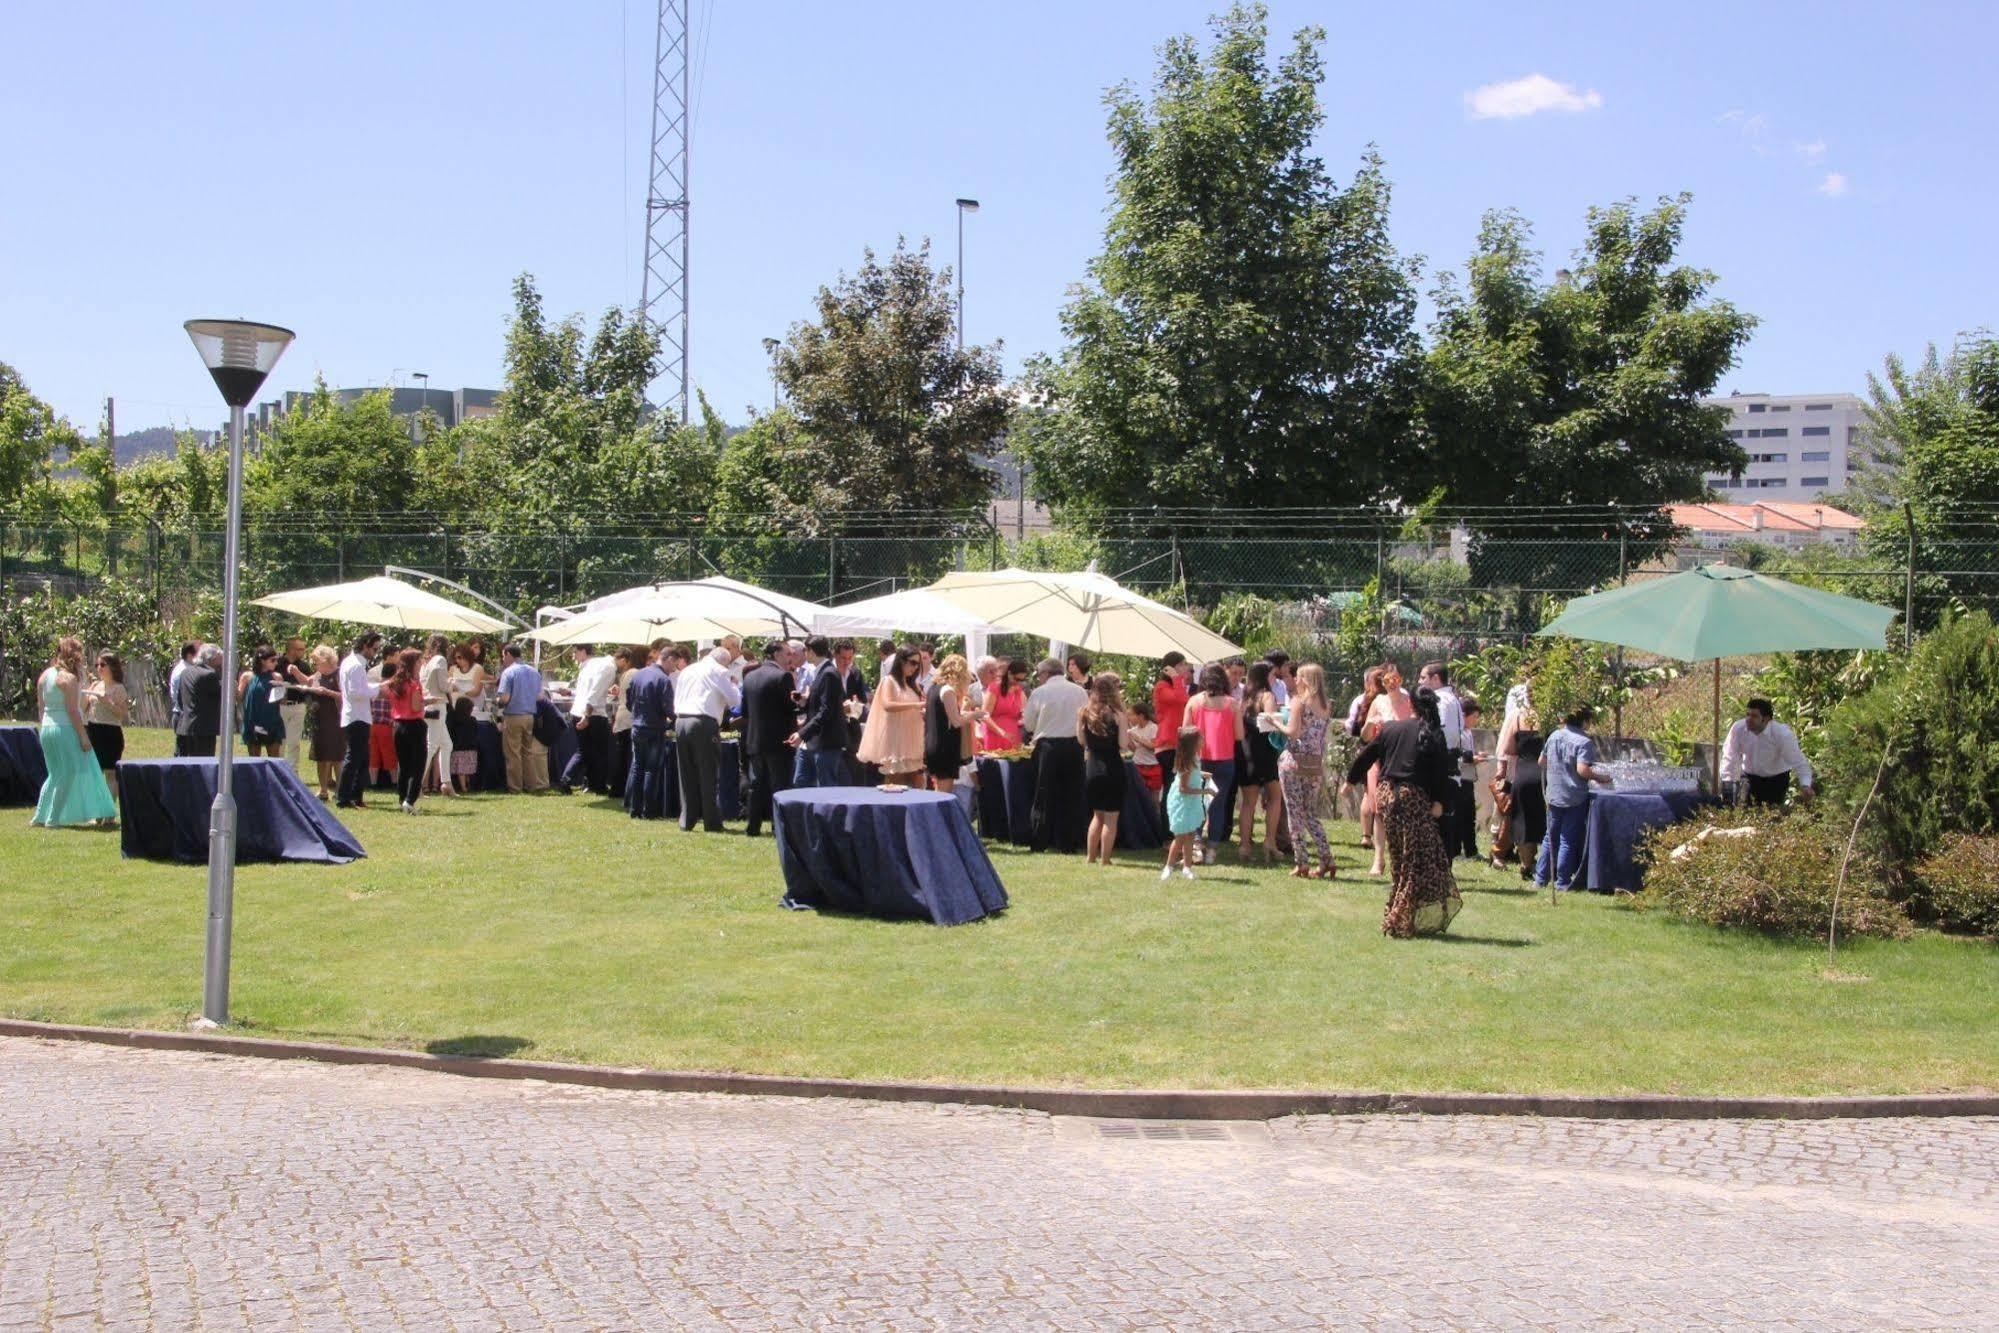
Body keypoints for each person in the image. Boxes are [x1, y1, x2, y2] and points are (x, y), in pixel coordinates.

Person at [1347, 686, 1461, 938]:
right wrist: (1440, 801)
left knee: (1400, 856)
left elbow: (1367, 754)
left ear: (1410, 704)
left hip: (1386, 795)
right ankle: (1398, 917)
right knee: (1418, 859)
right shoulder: (1431, 733)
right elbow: (1440, 771)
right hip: (1411, 798)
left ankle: (1400, 912)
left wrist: (1350, 780)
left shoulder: (1390, 728)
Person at [32, 637, 117, 830]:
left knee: (54, 773)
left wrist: (45, 725)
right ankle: (53, 818)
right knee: (68, 773)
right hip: (64, 728)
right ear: (74, 656)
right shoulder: (67, 679)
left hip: (47, 727)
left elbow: (41, 707)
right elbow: (72, 710)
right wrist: (83, 736)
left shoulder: (45, 675)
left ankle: (39, 816)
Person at [1534, 704, 1614, 893]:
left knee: (1549, 838)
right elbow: (1582, 770)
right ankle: (1562, 881)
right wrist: (1602, 778)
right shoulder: (1583, 741)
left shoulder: (1554, 736)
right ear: (1583, 720)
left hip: (1554, 794)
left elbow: (1541, 761)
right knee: (1567, 839)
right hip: (1574, 796)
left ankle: (1540, 878)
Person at [1272, 662, 1335, 880]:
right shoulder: (1326, 705)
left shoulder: (1300, 702)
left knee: (1294, 812)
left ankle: (1302, 862)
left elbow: (1293, 732)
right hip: (1314, 764)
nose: (1295, 680)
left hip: (1294, 763)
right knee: (1310, 813)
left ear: (1306, 680)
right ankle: (1327, 858)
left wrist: (1274, 722)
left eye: (1298, 677)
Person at [1020, 657, 1089, 853]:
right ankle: (1069, 841)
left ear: (1046, 673)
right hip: (1074, 745)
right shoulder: (1079, 691)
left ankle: (1040, 840)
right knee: (1072, 794)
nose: (1039, 678)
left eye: (1040, 674)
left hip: (1048, 746)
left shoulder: (1040, 692)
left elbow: (1029, 724)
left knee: (1043, 794)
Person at [675, 640, 743, 831]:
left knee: (686, 773)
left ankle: (686, 819)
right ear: (724, 662)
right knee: (708, 773)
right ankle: (711, 821)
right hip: (703, 722)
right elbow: (734, 700)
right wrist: (735, 684)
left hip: (681, 720)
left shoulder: (688, 670)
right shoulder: (720, 671)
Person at [1184, 664, 1243, 861]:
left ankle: (1197, 843)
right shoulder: (1233, 704)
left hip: (1199, 759)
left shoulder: (1193, 702)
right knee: (1219, 805)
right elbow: (1239, 735)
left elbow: (1185, 732)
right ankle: (1212, 850)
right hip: (1225, 760)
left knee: (1198, 802)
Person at [1361, 663, 1414, 877]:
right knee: (1380, 811)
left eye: (1396, 679)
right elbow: (1365, 737)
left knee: (1403, 811)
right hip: (1380, 762)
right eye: (1387, 680)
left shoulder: (1410, 702)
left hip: (1403, 762)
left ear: (1401, 679)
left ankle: (1401, 859)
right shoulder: (1378, 702)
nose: (1392, 684)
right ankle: (1379, 859)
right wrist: (1370, 725)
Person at [740, 640, 797, 834]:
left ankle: (752, 826)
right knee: (779, 785)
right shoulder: (783, 677)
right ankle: (777, 826)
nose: (790, 658)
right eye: (787, 654)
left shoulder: (749, 677)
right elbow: (791, 709)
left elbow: (745, 711)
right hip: (779, 740)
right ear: (775, 654)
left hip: (755, 739)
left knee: (756, 785)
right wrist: (802, 700)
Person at [1722, 697, 1816, 807]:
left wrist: (1805, 785)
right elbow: (1730, 756)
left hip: (1776, 781)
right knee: (1745, 812)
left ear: (1766, 719)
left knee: (1771, 816)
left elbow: (1798, 761)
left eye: (1754, 716)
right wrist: (1728, 783)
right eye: (1747, 714)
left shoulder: (1782, 734)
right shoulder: (1738, 729)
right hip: (1749, 778)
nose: (1748, 719)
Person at [1077, 672, 1130, 866]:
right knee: (1111, 818)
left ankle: (1090, 857)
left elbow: (1081, 741)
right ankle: (1105, 859)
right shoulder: (1118, 714)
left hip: (1092, 767)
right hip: (1113, 766)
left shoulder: (1084, 712)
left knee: (1097, 816)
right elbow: (1124, 744)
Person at [1418, 661, 1471, 857]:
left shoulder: (1439, 700)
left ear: (1435, 679)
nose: (1419, 681)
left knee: (1438, 820)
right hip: (1451, 766)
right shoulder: (1453, 699)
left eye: (1423, 677)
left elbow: (1436, 735)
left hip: (1441, 766)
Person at [856, 645, 926, 786]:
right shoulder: (889, 681)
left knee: (918, 785)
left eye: (918, 664)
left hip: (913, 742)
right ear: (901, 661)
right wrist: (916, 705)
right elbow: (887, 705)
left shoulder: (914, 685)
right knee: (896, 785)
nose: (915, 667)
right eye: (913, 662)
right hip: (896, 743)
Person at [624, 641, 676, 820]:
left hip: (638, 725)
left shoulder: (639, 675)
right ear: (668, 660)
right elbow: (668, 707)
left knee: (638, 767)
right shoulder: (663, 680)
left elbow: (629, 700)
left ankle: (634, 808)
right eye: (673, 665)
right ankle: (649, 810)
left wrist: (637, 713)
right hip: (655, 728)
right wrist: (674, 720)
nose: (673, 669)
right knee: (651, 770)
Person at [1492, 701, 1545, 876]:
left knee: (1522, 821)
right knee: (1542, 821)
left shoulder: (1517, 716)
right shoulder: (1550, 716)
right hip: (1544, 776)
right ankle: (1542, 864)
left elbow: (1507, 748)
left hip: (1523, 774)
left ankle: (1526, 863)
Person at [1236, 661, 1282, 863]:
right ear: (1265, 676)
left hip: (1246, 752)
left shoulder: (1244, 699)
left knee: (1248, 803)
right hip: (1266, 752)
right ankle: (1269, 841)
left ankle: (1244, 845)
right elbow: (1271, 723)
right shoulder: (1268, 696)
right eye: (1272, 674)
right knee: (1275, 797)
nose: (1275, 678)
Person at [792, 636, 852, 789]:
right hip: (818, 741)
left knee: (826, 787)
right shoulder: (823, 672)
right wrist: (805, 702)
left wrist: (802, 733)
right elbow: (821, 706)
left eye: (806, 650)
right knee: (805, 781)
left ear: (811, 651)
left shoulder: (828, 674)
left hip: (826, 741)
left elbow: (827, 711)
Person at [494, 642, 549, 794]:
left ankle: (515, 787)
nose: (502, 659)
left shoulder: (509, 672)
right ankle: (532, 785)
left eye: (503, 656)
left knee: (513, 753)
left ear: (509, 655)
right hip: (530, 716)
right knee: (528, 752)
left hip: (513, 716)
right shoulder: (534, 672)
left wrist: (497, 701)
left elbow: (504, 698)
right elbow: (539, 696)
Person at [923, 653, 981, 795]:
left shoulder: (932, 689)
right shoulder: (948, 690)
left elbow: (947, 716)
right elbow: (956, 721)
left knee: (938, 791)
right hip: (945, 746)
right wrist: (975, 715)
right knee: (944, 794)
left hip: (933, 743)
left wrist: (965, 715)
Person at [79, 651, 133, 804]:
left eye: (103, 665)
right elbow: (83, 708)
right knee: (94, 772)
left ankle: (109, 811)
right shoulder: (95, 685)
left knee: (110, 773)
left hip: (110, 732)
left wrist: (106, 702)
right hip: (93, 730)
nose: (99, 668)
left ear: (112, 667)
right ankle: (97, 810)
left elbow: (122, 713)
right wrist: (85, 694)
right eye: (97, 665)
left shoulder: (118, 688)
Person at [1161, 728, 1213, 881]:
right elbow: (1183, 788)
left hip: (1191, 802)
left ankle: (1187, 867)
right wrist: (1206, 791)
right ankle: (1168, 867)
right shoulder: (1187, 762)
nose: (1203, 740)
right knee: (1180, 836)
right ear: (1193, 743)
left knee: (1190, 834)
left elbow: (1193, 774)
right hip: (1182, 802)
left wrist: (1202, 774)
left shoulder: (1194, 758)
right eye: (1200, 738)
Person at [568, 642, 618, 796]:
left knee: (587, 752)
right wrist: (587, 715)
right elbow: (594, 693)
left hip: (579, 711)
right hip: (593, 713)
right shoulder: (607, 667)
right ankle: (569, 779)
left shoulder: (587, 666)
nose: (574, 655)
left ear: (583, 651)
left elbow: (586, 691)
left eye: (575, 652)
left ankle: (591, 784)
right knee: (594, 753)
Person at [419, 634, 456, 799]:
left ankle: (446, 783)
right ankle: (417, 784)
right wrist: (452, 683)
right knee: (432, 746)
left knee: (446, 744)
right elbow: (443, 685)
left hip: (430, 704)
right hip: (438, 705)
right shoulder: (440, 660)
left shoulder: (427, 662)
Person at [307, 645, 345, 800]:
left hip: (335, 720)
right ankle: (323, 790)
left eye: (317, 662)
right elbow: (309, 683)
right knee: (321, 756)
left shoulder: (338, 675)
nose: (315, 665)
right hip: (320, 721)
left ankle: (340, 790)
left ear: (326, 660)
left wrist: (327, 692)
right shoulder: (317, 675)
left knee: (337, 756)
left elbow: (345, 696)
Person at [173, 644, 223, 758]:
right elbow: (223, 697)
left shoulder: (186, 672)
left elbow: (180, 700)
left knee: (184, 765)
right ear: (213, 658)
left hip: (184, 727)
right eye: (221, 658)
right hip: (203, 731)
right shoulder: (210, 675)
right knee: (202, 767)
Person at [239, 646, 286, 758]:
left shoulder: (277, 677)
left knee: (274, 759)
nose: (276, 663)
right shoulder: (247, 676)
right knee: (254, 760)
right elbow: (239, 697)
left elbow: (283, 701)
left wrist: (282, 689)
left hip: (272, 722)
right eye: (272, 660)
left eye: (276, 660)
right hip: (253, 722)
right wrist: (233, 685)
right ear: (262, 661)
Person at [276, 636, 312, 773]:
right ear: (291, 649)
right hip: (280, 707)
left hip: (298, 706)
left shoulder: (303, 666)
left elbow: (308, 684)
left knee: (294, 742)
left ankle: (293, 773)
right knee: (280, 741)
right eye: (300, 649)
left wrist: (297, 673)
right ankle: (278, 771)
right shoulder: (278, 663)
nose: (303, 651)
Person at [1151, 652, 1191, 773]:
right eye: (1181, 664)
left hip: (1178, 743)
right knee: (1171, 786)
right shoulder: (1161, 686)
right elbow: (1181, 699)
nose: (1186, 667)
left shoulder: (1178, 686)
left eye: (1185, 664)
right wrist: (1175, 677)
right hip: (1167, 745)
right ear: (1170, 667)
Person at [608, 646, 639, 800]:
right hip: (625, 719)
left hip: (626, 720)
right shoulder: (626, 674)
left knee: (623, 756)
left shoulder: (631, 673)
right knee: (624, 756)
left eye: (617, 660)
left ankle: (618, 788)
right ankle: (620, 789)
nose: (615, 663)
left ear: (624, 660)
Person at [979, 658, 1028, 751]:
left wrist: (1023, 715)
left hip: (1013, 736)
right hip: (994, 735)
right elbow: (984, 715)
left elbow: (1024, 711)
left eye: (1022, 680)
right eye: (1017, 679)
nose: (1018, 682)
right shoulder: (994, 688)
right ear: (1009, 674)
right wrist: (1001, 732)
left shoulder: (1018, 691)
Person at [1127, 699, 1162, 796]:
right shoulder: (1133, 730)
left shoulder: (1153, 727)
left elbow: (1154, 747)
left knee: (1154, 799)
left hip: (1153, 767)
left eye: (1131, 715)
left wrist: (1139, 739)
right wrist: (1128, 741)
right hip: (1138, 766)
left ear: (1141, 716)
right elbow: (1134, 749)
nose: (1129, 718)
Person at [167, 641, 198, 735]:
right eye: (199, 654)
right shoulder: (184, 672)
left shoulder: (183, 668)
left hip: (182, 715)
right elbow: (180, 697)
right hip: (184, 716)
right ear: (189, 655)